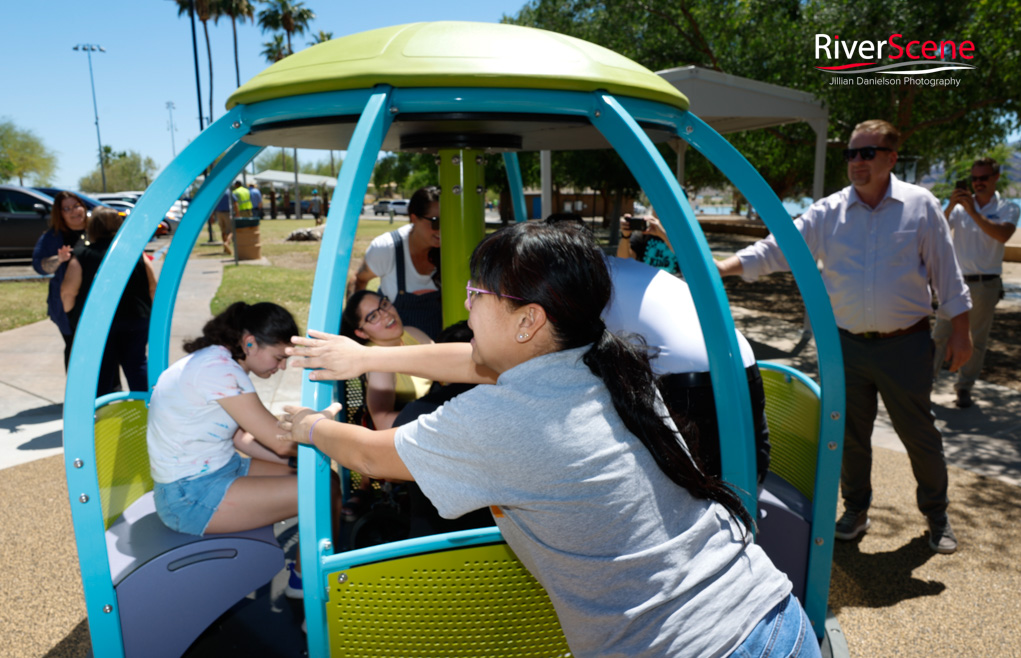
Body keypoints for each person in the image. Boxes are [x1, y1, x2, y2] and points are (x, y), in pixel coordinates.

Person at [280, 223, 817, 658]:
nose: (465, 307)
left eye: (476, 293)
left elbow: (368, 454)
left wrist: (306, 425)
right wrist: (366, 357)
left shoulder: (506, 418)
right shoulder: (610, 365)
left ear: (528, 320)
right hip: (771, 615)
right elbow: (471, 362)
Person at [715, 119, 972, 554]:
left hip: (905, 345)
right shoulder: (828, 211)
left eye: (867, 153)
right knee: (850, 434)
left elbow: (948, 276)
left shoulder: (921, 206)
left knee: (919, 434)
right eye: (851, 153)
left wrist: (961, 332)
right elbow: (779, 249)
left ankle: (937, 514)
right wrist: (723, 267)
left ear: (891, 158)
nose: (857, 162)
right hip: (844, 347)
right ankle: (855, 510)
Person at [549, 212, 769, 483]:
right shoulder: (631, 269)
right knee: (744, 475)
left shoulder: (579, 284)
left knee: (691, 486)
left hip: (691, 385)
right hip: (743, 366)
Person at [338, 289, 433, 519]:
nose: (386, 315)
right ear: (361, 332)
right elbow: (382, 422)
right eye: (373, 316)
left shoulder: (412, 334)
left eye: (384, 304)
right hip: (413, 445)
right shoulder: (378, 362)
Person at [933, 157, 1019, 408]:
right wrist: (951, 205)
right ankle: (925, 382)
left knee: (977, 339)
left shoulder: (1008, 207)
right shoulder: (958, 209)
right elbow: (937, 229)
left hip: (986, 284)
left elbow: (1002, 234)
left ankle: (964, 388)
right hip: (956, 283)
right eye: (974, 179)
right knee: (940, 334)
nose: (978, 183)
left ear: (996, 178)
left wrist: (973, 212)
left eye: (983, 178)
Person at [60, 208, 157, 396]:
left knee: (101, 368)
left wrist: (72, 316)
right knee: (136, 363)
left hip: (96, 322)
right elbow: (152, 286)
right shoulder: (137, 253)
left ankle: (100, 416)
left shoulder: (83, 255)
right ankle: (149, 408)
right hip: (136, 318)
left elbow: (68, 291)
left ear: (92, 228)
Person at [351, 186, 443, 338]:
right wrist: (356, 329)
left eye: (449, 221)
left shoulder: (454, 248)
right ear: (414, 218)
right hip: (397, 350)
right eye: (436, 222)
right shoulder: (387, 248)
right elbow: (358, 280)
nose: (443, 229)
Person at [32, 191, 89, 371]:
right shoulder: (53, 237)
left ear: (83, 206)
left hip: (96, 301)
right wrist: (59, 260)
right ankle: (76, 396)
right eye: (67, 208)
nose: (74, 211)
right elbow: (39, 266)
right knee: (74, 348)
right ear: (60, 213)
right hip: (67, 305)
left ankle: (108, 393)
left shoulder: (97, 230)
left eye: (76, 206)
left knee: (107, 350)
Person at [212, 189, 233, 255]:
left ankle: (225, 248)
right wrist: (237, 213)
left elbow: (213, 205)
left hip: (218, 213)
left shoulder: (217, 192)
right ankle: (227, 243)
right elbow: (235, 202)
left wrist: (212, 216)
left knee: (223, 231)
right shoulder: (229, 192)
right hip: (227, 213)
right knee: (231, 231)